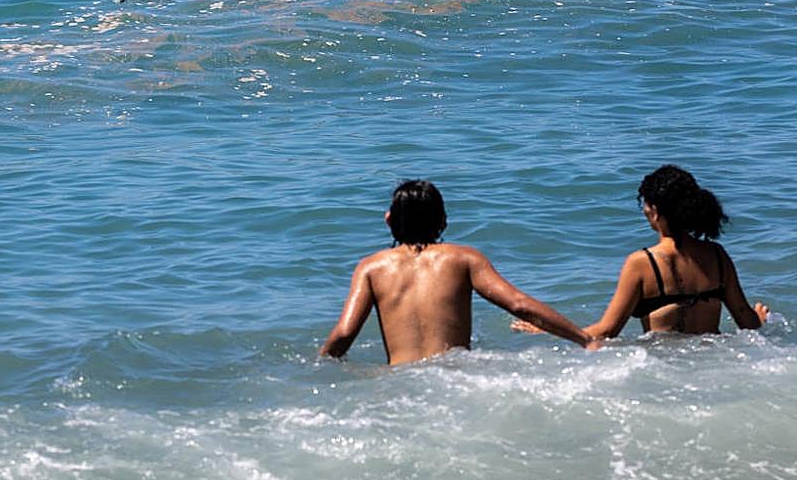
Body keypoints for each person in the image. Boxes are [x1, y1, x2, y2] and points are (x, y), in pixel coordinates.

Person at [320, 180, 597, 365]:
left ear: (389, 219)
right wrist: (584, 339)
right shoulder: (464, 259)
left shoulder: (371, 267)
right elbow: (519, 305)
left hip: (400, 381)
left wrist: (316, 369)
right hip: (454, 376)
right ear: (443, 220)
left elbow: (344, 334)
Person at [513, 164, 769, 340]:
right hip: (713, 362)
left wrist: (549, 331)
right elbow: (747, 322)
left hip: (664, 367)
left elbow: (607, 331)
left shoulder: (642, 263)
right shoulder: (717, 256)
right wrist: (757, 318)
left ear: (655, 211)